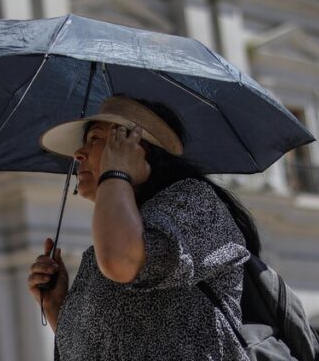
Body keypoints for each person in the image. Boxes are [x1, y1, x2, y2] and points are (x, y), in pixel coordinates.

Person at [28, 96, 262, 360]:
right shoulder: (102, 251)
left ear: (139, 148)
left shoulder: (193, 202)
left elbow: (122, 261)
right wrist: (58, 307)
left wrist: (116, 172)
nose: (78, 154)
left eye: (94, 139)